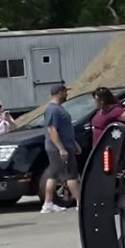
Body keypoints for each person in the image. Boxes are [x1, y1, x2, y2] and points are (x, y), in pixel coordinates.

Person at [41, 84, 80, 215]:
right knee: (70, 175)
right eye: (65, 92)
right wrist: (61, 149)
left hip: (64, 146)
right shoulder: (53, 110)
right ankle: (81, 203)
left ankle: (48, 203)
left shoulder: (58, 108)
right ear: (59, 93)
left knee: (54, 175)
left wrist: (74, 144)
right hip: (58, 148)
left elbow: (65, 129)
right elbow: (52, 130)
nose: (67, 94)